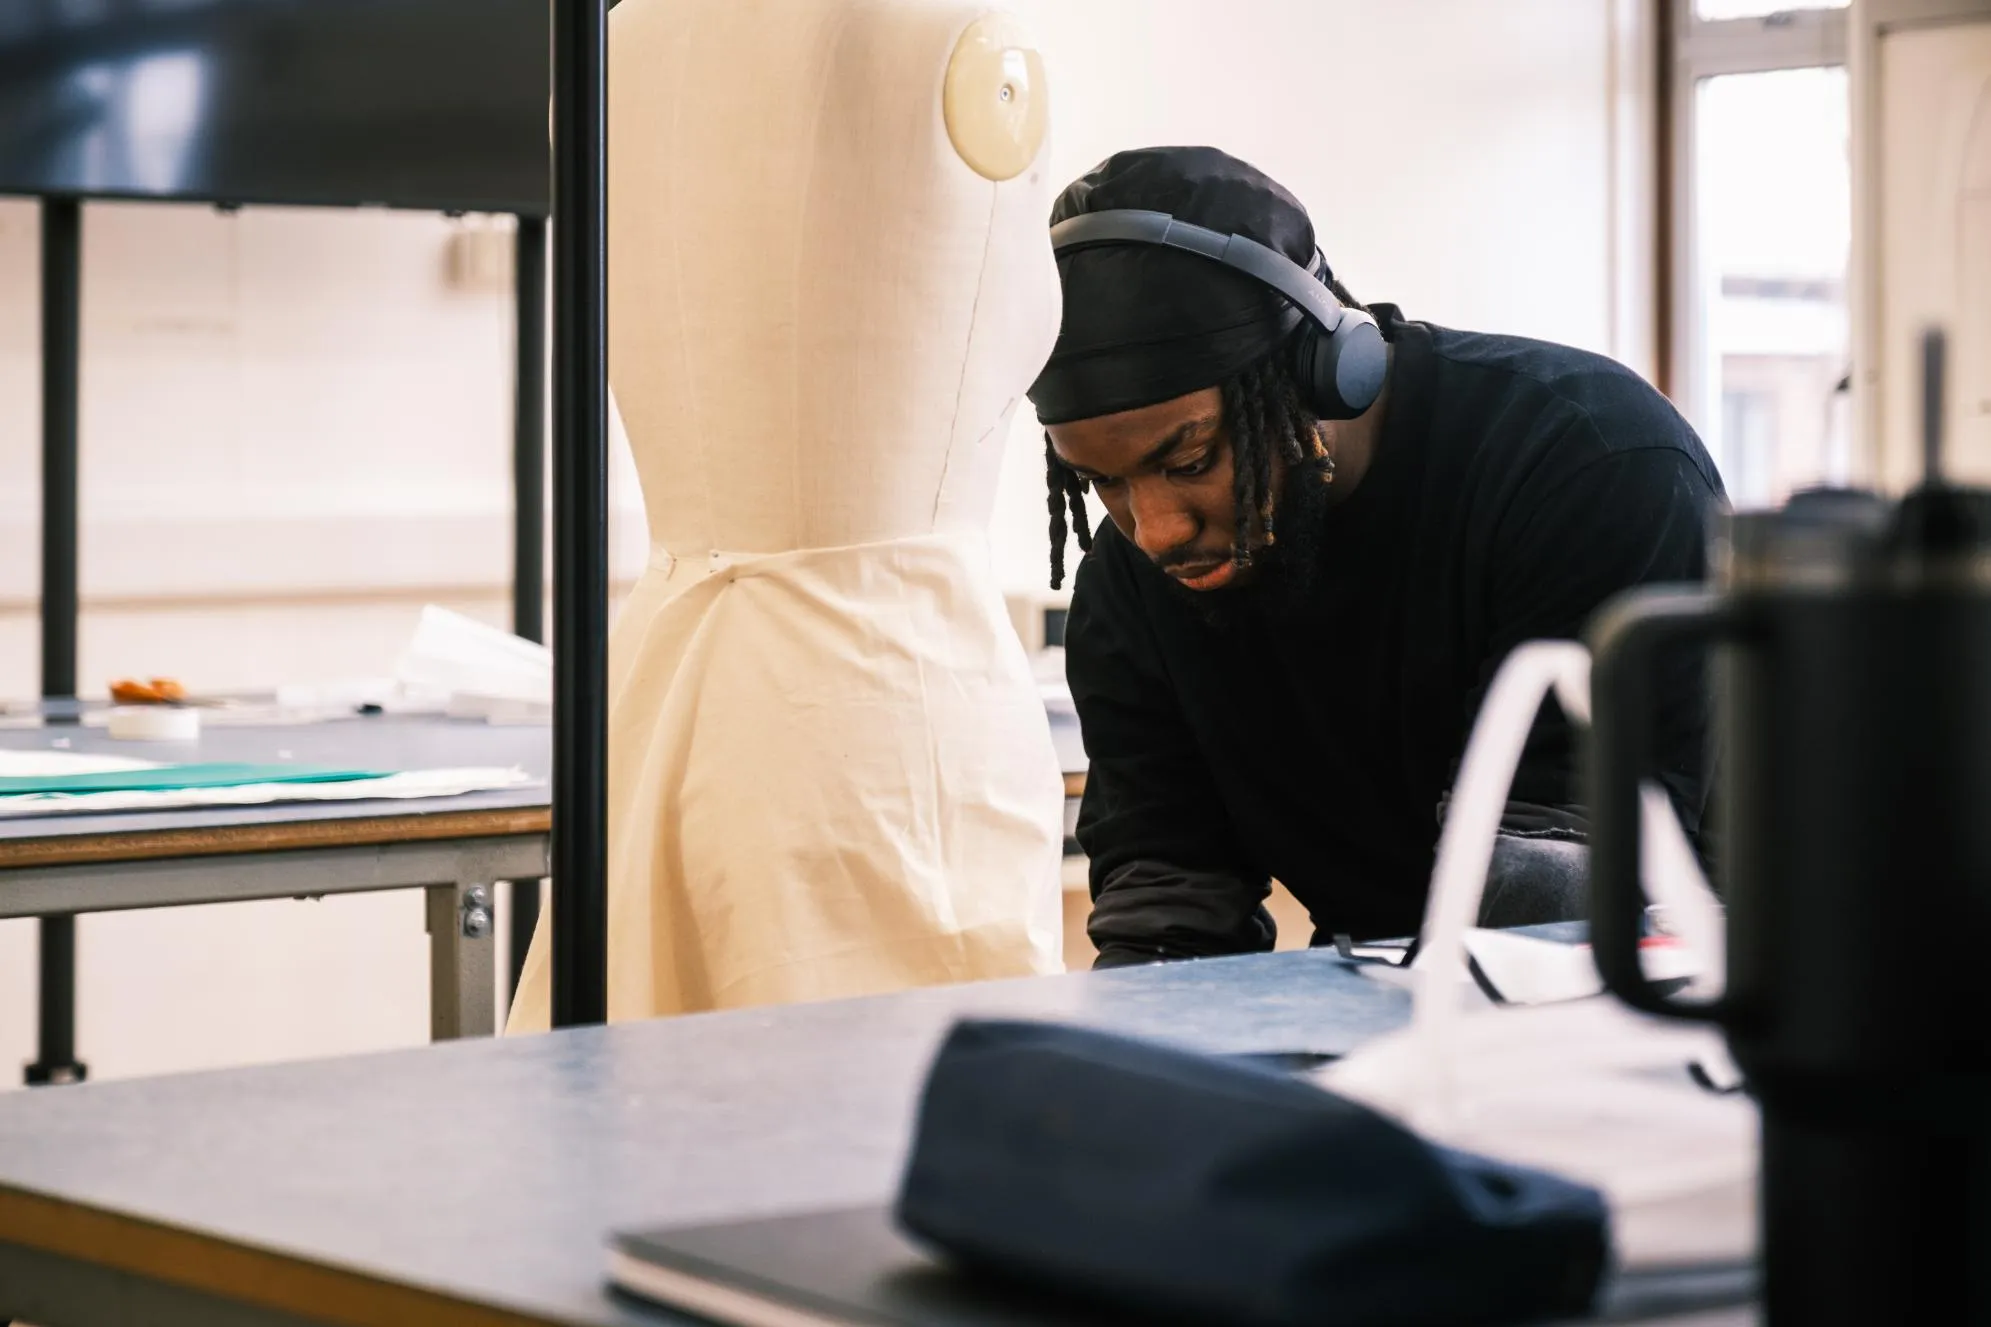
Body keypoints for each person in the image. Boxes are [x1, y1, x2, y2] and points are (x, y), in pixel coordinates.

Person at [1035, 147, 1724, 969]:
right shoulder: (1131, 582)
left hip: (1682, 993)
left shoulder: (1587, 462)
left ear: (1326, 371)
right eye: (1102, 481)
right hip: (1389, 992)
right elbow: (1168, 900)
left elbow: (1549, 902)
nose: (1154, 529)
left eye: (1188, 462)